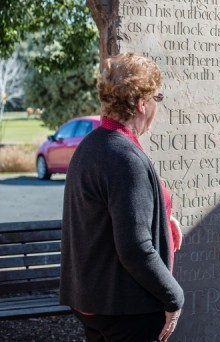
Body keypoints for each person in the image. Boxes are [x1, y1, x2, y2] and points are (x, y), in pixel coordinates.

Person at [61, 53, 184, 342]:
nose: (157, 106)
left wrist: (164, 221)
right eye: (158, 97)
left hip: (93, 301)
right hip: (127, 309)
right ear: (142, 104)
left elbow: (104, 217)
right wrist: (174, 296)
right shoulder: (124, 157)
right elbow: (135, 247)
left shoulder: (91, 146)